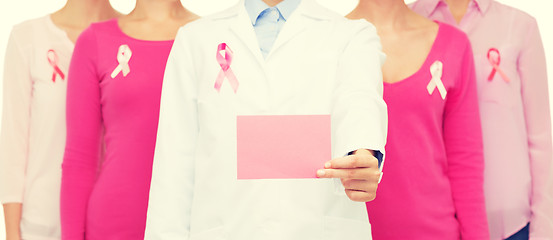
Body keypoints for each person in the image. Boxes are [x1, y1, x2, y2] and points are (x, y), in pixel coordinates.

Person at [144, 0, 387, 239]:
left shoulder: (353, 36)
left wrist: (362, 153)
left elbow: (360, 101)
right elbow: (174, 164)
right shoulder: (194, 39)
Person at [410, 0, 553, 239]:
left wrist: (544, 228)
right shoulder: (409, 21)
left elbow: (541, 139)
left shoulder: (519, 26)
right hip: (433, 221)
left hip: (512, 224)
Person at [347, 0, 489, 239]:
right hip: (350, 230)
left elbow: (465, 164)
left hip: (436, 232)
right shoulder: (324, 44)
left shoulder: (454, 45)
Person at [60, 0, 198, 239]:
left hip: (192, 221)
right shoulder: (95, 41)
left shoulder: (211, 39)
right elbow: (79, 160)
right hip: (112, 225)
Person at [0, 1, 120, 239]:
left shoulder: (132, 40)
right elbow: (12, 147)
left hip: (112, 224)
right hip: (42, 227)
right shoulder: (28, 39)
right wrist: (12, 233)